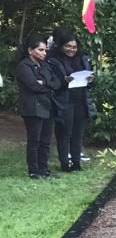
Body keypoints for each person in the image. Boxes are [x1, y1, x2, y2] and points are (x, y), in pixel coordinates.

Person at [16, 35, 62, 179]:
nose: (44, 53)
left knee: (45, 141)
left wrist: (45, 83)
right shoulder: (24, 66)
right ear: (30, 50)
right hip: (33, 108)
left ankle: (44, 169)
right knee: (34, 140)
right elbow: (34, 86)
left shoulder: (45, 65)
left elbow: (57, 83)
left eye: (45, 50)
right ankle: (34, 170)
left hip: (47, 106)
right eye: (40, 50)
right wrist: (47, 85)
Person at [48, 27, 94, 172]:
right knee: (64, 133)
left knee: (78, 133)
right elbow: (52, 82)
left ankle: (76, 162)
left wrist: (90, 80)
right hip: (64, 100)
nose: (71, 49)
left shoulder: (82, 58)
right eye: (68, 46)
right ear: (61, 46)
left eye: (74, 47)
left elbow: (90, 79)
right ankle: (64, 163)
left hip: (80, 100)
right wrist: (64, 81)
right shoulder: (53, 60)